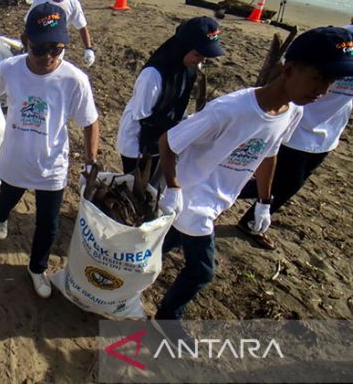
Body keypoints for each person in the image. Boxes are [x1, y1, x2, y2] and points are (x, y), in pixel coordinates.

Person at [153, 26, 353, 327]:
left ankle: (130, 267)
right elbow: (168, 141)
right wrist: (173, 188)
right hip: (192, 197)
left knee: (159, 246)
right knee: (201, 270)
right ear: (289, 69)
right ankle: (167, 319)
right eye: (319, 78)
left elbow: (268, 153)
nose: (323, 90)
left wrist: (263, 202)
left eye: (331, 81)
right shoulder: (230, 110)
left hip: (218, 199)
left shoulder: (293, 111)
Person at [0, 3, 100, 298]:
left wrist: (91, 162)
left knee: (49, 223)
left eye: (55, 49)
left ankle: (36, 267)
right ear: (25, 40)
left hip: (51, 165)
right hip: (16, 158)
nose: (47, 57)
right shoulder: (10, 68)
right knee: (6, 200)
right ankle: (0, 217)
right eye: (39, 49)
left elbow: (90, 122)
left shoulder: (75, 80)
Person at [235, 24, 353, 250]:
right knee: (283, 183)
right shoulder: (335, 41)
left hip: (329, 133)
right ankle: (214, 190)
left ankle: (250, 222)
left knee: (290, 186)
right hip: (297, 126)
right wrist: (268, 110)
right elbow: (282, 72)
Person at [116, 17, 225, 175]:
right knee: (135, 184)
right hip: (138, 143)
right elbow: (143, 115)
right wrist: (178, 128)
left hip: (165, 137)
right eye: (197, 54)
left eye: (205, 56)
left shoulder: (189, 67)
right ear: (183, 47)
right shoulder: (152, 75)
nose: (201, 60)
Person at [27, 0, 95, 67]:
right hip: (38, 47)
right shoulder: (39, 1)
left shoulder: (73, 4)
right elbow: (28, 24)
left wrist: (88, 48)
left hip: (56, 48)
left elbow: (82, 27)